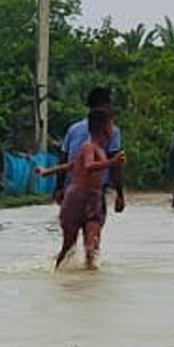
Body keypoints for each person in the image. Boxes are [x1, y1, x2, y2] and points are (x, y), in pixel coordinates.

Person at [40, 113, 122, 269]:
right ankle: (58, 273)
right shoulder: (89, 147)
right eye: (111, 125)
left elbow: (71, 165)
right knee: (68, 247)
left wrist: (47, 171)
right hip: (76, 200)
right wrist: (112, 162)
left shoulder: (96, 149)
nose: (113, 129)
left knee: (91, 248)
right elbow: (88, 166)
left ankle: (89, 285)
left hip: (93, 200)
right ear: (105, 129)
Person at [61, 88, 129, 214]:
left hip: (71, 189)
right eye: (110, 104)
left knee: (71, 228)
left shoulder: (73, 129)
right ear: (105, 106)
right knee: (93, 228)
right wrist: (119, 193)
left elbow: (64, 158)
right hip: (95, 191)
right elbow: (116, 166)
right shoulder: (112, 131)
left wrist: (58, 187)